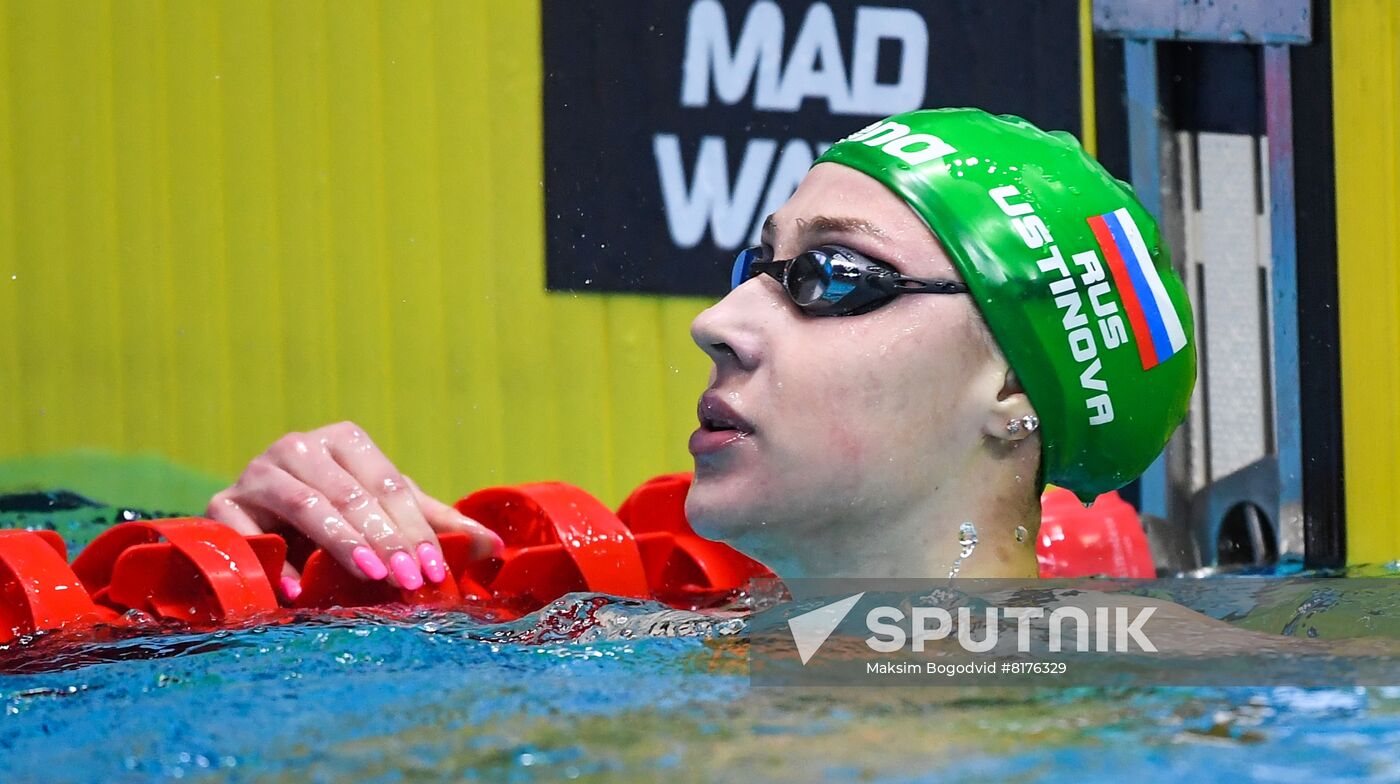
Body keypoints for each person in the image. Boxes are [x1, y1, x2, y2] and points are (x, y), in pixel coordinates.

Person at [207, 109, 1196, 599]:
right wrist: (292, 589)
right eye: (754, 264)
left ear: (1013, 387)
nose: (716, 321)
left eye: (831, 276)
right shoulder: (648, 656)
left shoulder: (1132, 714)